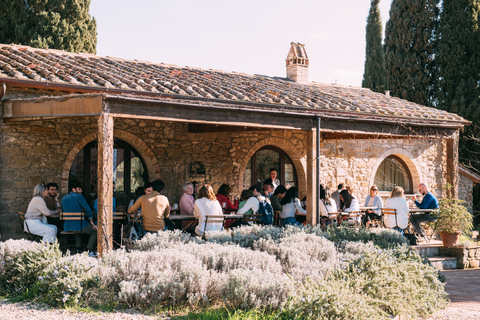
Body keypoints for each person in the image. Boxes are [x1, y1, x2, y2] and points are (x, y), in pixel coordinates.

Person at [62, 181, 97, 255]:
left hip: (67, 226)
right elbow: (87, 209)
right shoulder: (79, 197)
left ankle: (78, 249)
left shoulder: (64, 198)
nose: (81, 191)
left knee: (77, 228)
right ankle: (89, 250)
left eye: (81, 189)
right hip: (79, 226)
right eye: (79, 189)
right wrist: (91, 220)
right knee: (95, 231)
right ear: (73, 189)